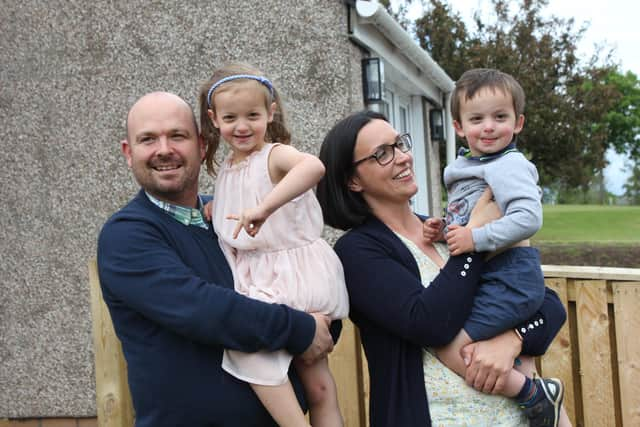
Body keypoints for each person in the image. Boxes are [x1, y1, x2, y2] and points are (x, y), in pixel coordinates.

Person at [97, 91, 336, 427]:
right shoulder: (127, 236)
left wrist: (319, 324)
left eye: (177, 136)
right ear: (128, 152)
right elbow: (205, 310)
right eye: (148, 139)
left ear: (202, 145)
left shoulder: (230, 218)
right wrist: (301, 328)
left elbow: (297, 281)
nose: (164, 149)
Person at [316, 110, 568, 427]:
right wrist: (473, 241)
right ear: (352, 180)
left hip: (520, 418)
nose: (402, 158)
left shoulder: (441, 230)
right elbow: (429, 322)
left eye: (400, 144)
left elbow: (548, 304)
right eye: (382, 154)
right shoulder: (358, 251)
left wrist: (513, 339)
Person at [198, 62, 349, 427]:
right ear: (213, 119)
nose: (242, 126)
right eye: (230, 117)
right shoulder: (228, 170)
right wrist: (215, 208)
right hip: (261, 275)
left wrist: (265, 207)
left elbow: (312, 168)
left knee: (253, 353)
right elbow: (239, 208)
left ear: (271, 112)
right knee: (317, 386)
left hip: (291, 272)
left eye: (253, 115)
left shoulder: (274, 155)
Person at [420, 68, 564, 426]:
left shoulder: (508, 164)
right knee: (477, 343)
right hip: (491, 273)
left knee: (453, 345)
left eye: (500, 117)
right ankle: (532, 392)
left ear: (517, 123)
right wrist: (445, 229)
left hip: (508, 274)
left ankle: (534, 395)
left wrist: (473, 239)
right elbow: (472, 215)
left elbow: (529, 218)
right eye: (477, 119)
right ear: (458, 127)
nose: (488, 127)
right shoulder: (471, 165)